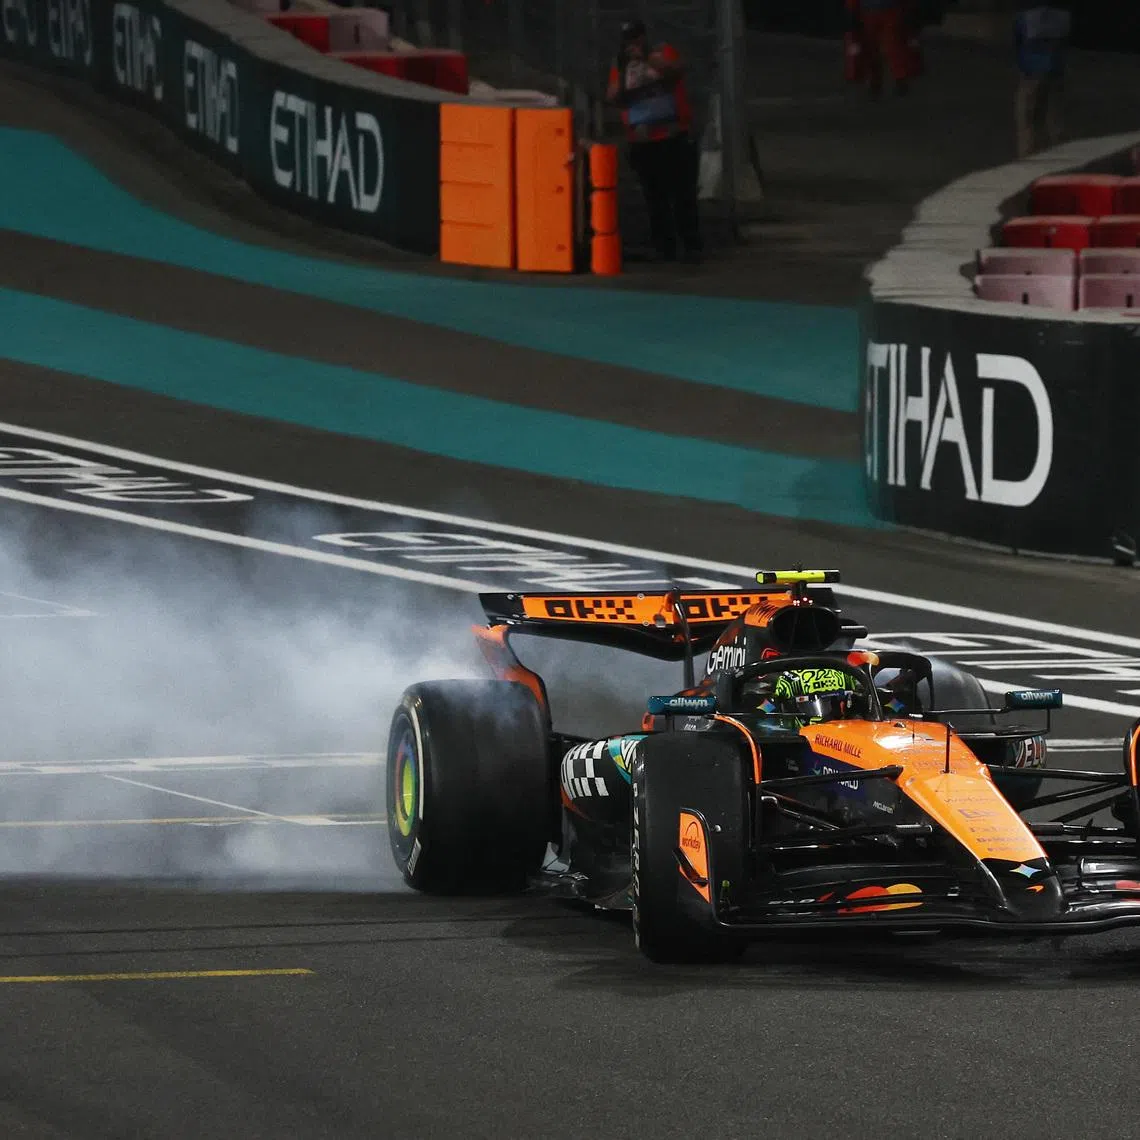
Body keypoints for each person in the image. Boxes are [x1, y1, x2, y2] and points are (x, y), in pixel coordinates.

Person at [606, 19, 702, 263]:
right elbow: (613, 95)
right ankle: (665, 247)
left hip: (673, 134)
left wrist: (647, 57)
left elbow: (675, 71)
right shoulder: (622, 63)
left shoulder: (662, 52)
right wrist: (625, 71)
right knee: (655, 197)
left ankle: (691, 245)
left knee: (682, 194)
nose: (634, 43)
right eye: (629, 40)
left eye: (637, 38)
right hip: (644, 139)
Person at [1014, 4, 1071, 159]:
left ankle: (1029, 156)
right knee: (1055, 118)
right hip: (1055, 71)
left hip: (1032, 73)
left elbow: (1018, 42)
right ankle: (1061, 155)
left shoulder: (1025, 18)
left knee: (1027, 118)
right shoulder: (1063, 18)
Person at [747, 666, 870, 726]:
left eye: (836, 702)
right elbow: (765, 708)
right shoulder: (774, 702)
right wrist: (760, 713)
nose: (828, 718)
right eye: (811, 706)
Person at [849, 0, 913, 97]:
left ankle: (898, 80)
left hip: (885, 11)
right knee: (876, 49)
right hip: (873, 12)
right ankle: (881, 82)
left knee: (891, 47)